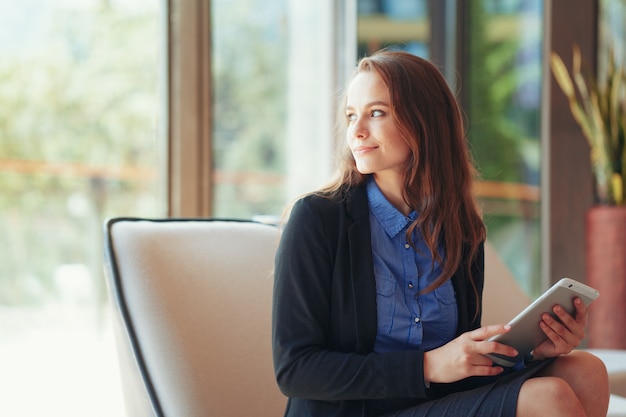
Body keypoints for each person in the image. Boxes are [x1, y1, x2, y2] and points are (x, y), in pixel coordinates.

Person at [271, 49, 609, 417]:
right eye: (352, 115)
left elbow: (460, 367)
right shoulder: (317, 219)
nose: (357, 131)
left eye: (376, 113)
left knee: (586, 372)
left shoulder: (460, 228)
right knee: (548, 399)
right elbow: (295, 369)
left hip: (433, 404)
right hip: (354, 411)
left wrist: (528, 350)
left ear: (424, 120)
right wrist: (428, 365)